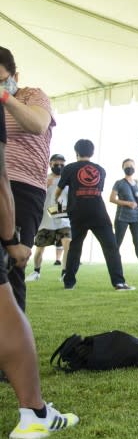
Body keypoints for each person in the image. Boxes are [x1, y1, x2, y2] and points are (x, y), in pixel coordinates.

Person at [0, 99, 79, 439]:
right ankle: (34, 413)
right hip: (16, 211)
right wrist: (9, 240)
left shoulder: (31, 100)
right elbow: (0, 180)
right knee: (6, 311)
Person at [0, 46, 56, 310]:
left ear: (15, 76)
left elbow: (37, 125)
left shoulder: (33, 96)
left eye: (2, 80)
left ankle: (14, 343)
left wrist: (4, 98)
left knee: (13, 265)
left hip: (23, 189)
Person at [58, 139, 132, 291]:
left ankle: (69, 283)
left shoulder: (69, 168)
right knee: (111, 247)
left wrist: (58, 204)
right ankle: (118, 282)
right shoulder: (101, 170)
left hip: (77, 212)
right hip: (98, 212)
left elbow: (59, 192)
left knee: (75, 247)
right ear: (92, 153)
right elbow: (98, 191)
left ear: (76, 152)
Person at [26, 154, 71, 281]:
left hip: (64, 219)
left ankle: (64, 273)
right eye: (56, 163)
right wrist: (45, 185)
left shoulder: (67, 180)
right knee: (40, 249)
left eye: (62, 164)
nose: (59, 166)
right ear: (50, 164)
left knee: (67, 243)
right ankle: (36, 272)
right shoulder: (43, 179)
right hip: (46, 220)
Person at [110, 158, 138, 273]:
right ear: (123, 168)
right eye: (126, 166)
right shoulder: (119, 183)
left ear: (135, 168)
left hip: (136, 218)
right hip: (122, 217)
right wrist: (127, 203)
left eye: (131, 165)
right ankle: (113, 265)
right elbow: (112, 199)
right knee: (117, 242)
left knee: (137, 242)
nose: (129, 167)